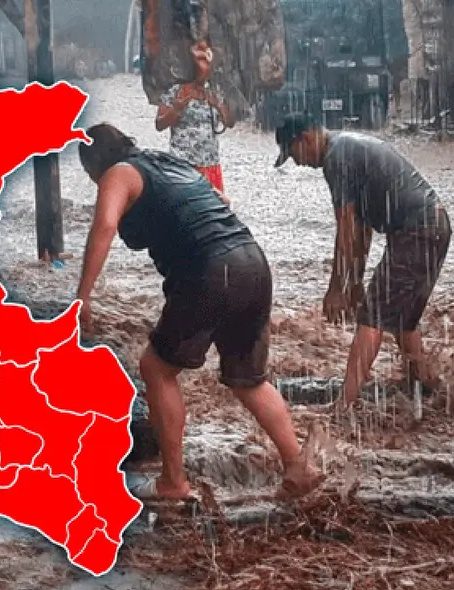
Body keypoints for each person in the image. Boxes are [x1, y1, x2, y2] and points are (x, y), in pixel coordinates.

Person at [75, 122, 323, 502]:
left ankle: (173, 482)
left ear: (92, 164)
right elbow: (221, 200)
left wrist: (83, 296)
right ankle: (298, 464)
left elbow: (105, 225)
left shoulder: (118, 173)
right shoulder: (169, 163)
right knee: (248, 380)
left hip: (210, 269)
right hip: (251, 261)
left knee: (156, 368)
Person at [273, 112, 451, 410]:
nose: (298, 163)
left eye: (293, 155)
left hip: (417, 230)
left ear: (304, 138)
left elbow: (346, 228)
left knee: (372, 317)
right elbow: (362, 229)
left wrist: (336, 288)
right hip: (434, 226)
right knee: (404, 319)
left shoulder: (335, 158)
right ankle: (424, 389)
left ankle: (345, 407)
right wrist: (353, 281)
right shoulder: (345, 147)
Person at [155, 40, 234, 204]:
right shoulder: (176, 91)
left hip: (210, 162)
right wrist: (176, 110)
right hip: (182, 163)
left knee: (212, 209)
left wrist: (218, 106)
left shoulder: (215, 91)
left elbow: (230, 122)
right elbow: (159, 124)